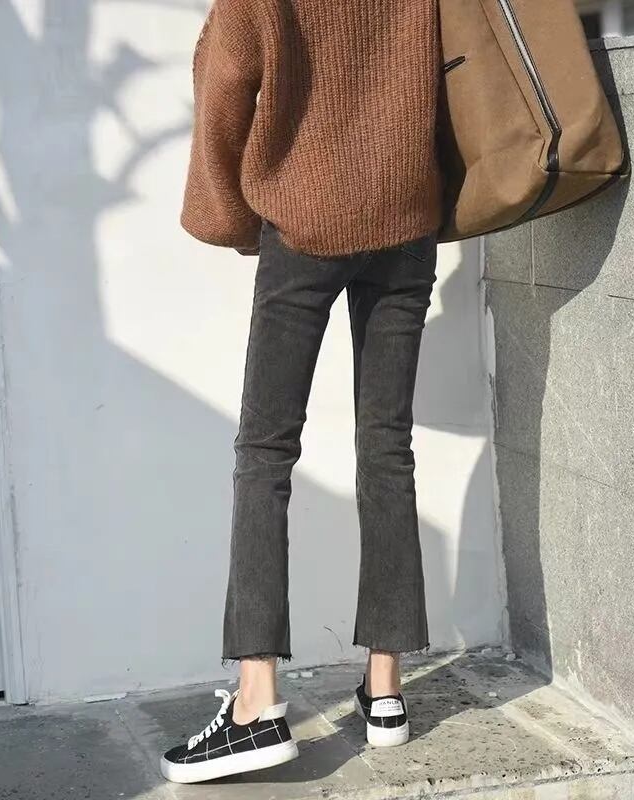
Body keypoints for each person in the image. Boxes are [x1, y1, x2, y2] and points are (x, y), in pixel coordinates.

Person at [160, 0, 443, 784]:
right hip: (407, 214)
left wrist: (232, 215)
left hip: (305, 220)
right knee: (386, 447)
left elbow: (224, 79)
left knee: (265, 452)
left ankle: (257, 705)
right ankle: (385, 692)